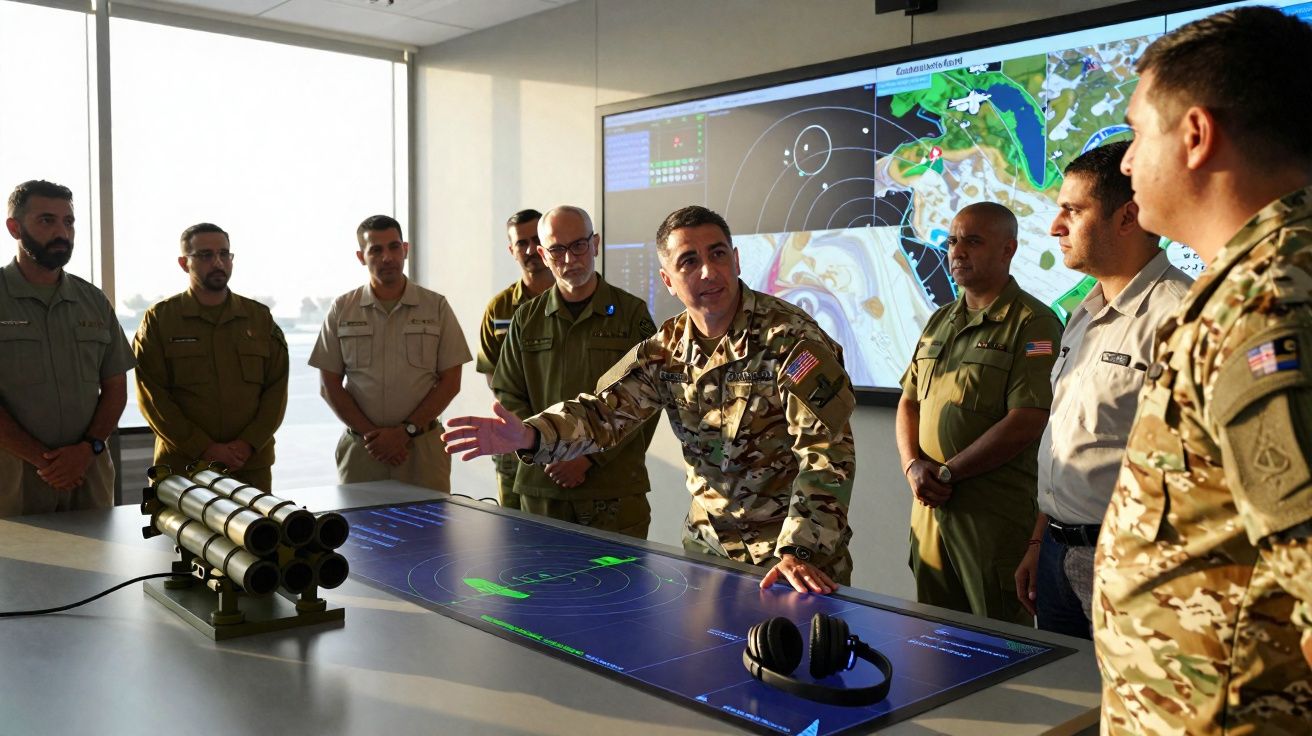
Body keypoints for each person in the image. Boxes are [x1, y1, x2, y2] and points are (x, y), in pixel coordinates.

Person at [444, 205, 856, 594]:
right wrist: (531, 436)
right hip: (709, 551)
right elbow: (601, 412)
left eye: (717, 255)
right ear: (668, 280)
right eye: (689, 261)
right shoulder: (665, 349)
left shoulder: (792, 338)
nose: (708, 271)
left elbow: (826, 451)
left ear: (736, 259)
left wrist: (799, 550)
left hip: (793, 563)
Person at [1094, 7, 1312, 733]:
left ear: (1194, 135)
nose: (1125, 163)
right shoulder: (1253, 281)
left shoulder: (1270, 302)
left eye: (1134, 133)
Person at [1011, 143, 1190, 638]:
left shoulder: (1180, 316)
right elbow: (1068, 439)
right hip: (1056, 550)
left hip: (1132, 560)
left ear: (1127, 217)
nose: (1055, 226)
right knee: (1067, 708)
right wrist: (1037, 541)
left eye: (1072, 210)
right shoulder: (1082, 315)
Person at [895, 201, 1062, 625]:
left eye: (973, 240)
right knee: (934, 641)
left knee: (1002, 645)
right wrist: (913, 466)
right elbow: (908, 401)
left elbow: (1028, 418)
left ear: (1008, 249)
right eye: (953, 240)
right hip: (931, 514)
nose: (957, 251)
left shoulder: (1033, 323)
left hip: (992, 521)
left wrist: (948, 473)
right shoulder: (939, 321)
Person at [492, 205, 657, 536]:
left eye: (578, 245)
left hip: (613, 490)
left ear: (595, 244)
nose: (569, 259)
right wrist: (546, 448)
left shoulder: (630, 314)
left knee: (621, 587)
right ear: (543, 253)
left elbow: (648, 401)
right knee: (544, 586)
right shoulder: (526, 318)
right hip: (544, 487)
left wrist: (589, 458)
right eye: (556, 249)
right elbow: (509, 393)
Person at [0, 180, 134, 517]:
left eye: (69, 222)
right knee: (17, 569)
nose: (62, 232)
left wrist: (88, 450)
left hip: (88, 474)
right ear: (14, 228)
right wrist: (44, 461)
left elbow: (116, 388)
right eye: (47, 221)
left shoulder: (92, 301)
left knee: (98, 566)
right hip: (13, 478)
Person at [310, 215, 471, 492]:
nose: (387, 257)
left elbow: (450, 381)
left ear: (405, 249)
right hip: (363, 451)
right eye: (376, 250)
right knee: (363, 533)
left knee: (428, 532)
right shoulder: (342, 309)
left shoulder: (436, 307)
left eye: (394, 247)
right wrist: (375, 438)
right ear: (361, 256)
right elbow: (329, 385)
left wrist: (405, 431)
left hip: (421, 451)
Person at [133, 223, 290, 490]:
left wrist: (246, 444)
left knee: (253, 531)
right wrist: (203, 447)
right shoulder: (161, 320)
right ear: (184, 263)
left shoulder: (259, 318)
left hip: (249, 468)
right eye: (205, 255)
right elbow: (152, 395)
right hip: (182, 468)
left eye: (224, 254)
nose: (218, 262)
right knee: (177, 533)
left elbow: (276, 390)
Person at [475, 208, 554, 509]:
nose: (531, 249)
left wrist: (555, 435)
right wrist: (526, 429)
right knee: (515, 542)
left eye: (537, 240)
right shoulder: (499, 309)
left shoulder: (576, 301)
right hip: (514, 441)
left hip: (571, 439)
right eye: (521, 243)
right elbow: (494, 378)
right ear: (512, 250)